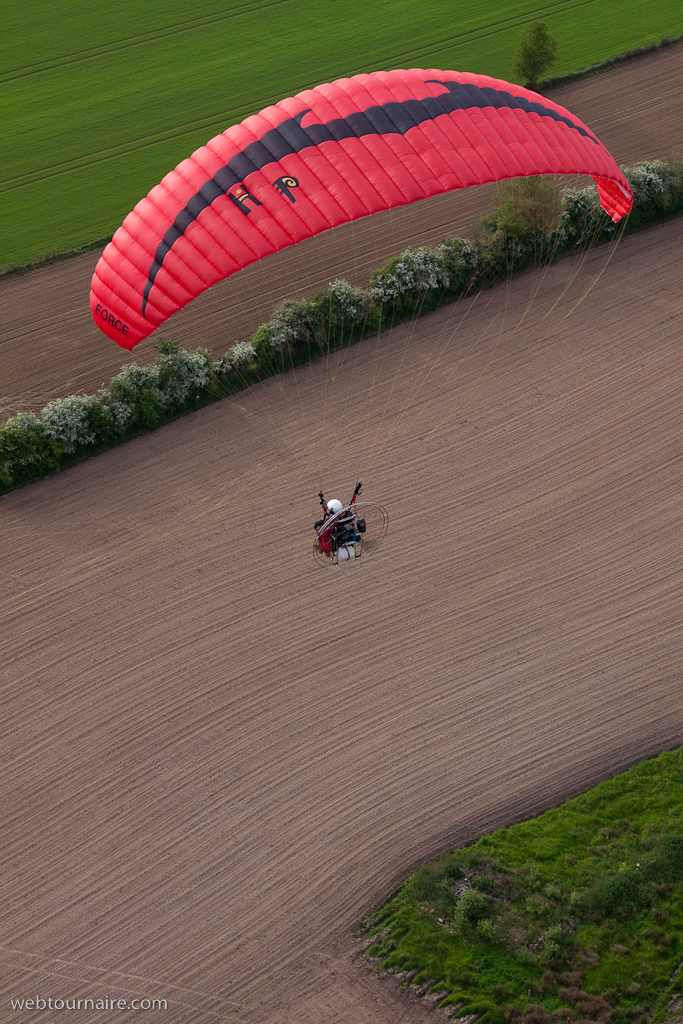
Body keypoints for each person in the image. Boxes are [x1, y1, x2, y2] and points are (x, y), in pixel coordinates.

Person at [315, 482, 363, 557]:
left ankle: (322, 551)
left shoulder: (332, 521)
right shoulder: (347, 515)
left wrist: (321, 498)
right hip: (343, 539)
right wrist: (357, 490)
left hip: (334, 543)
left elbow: (326, 511)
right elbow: (352, 503)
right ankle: (322, 550)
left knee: (319, 532)